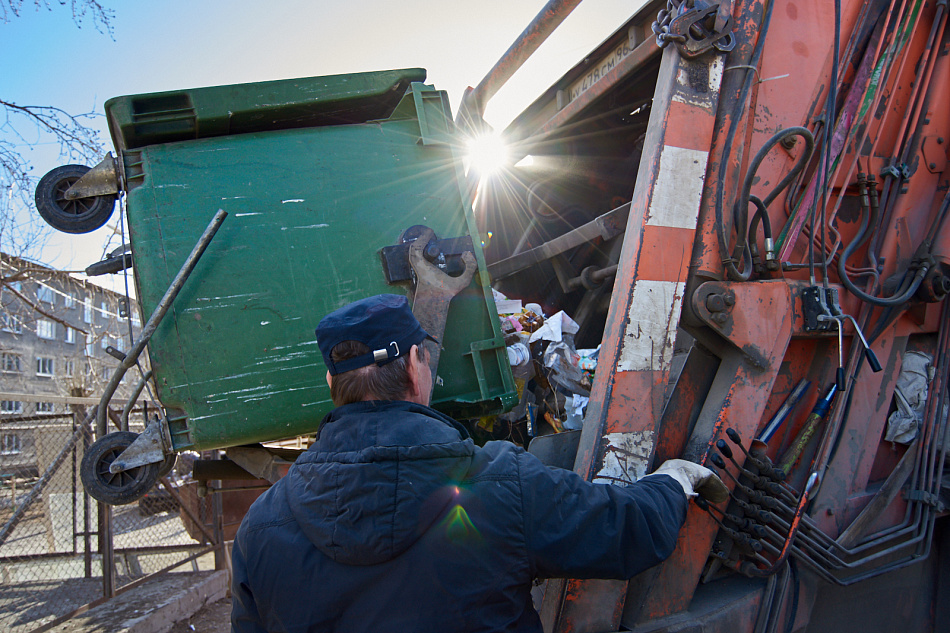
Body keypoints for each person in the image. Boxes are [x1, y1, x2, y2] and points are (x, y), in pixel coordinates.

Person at [231, 294, 725, 633]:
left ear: (330, 384)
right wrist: (673, 480)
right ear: (413, 366)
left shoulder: (262, 527)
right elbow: (625, 531)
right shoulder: (498, 483)